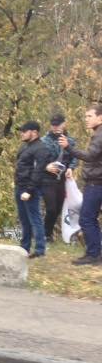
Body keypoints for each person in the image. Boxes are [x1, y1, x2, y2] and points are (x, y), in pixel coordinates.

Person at [59, 104, 102, 265]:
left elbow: (90, 156)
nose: (86, 119)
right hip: (97, 182)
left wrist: (68, 147)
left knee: (86, 219)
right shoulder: (98, 134)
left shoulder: (99, 135)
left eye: (89, 116)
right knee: (91, 218)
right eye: (85, 116)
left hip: (95, 184)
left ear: (100, 117)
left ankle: (93, 255)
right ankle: (97, 253)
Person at [14, 121, 53, 259]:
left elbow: (38, 172)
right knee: (24, 219)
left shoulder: (40, 148)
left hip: (30, 189)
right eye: (21, 131)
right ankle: (24, 247)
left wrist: (29, 190)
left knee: (35, 219)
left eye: (24, 131)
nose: (22, 133)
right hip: (20, 186)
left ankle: (40, 249)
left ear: (34, 132)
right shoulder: (25, 146)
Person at [40, 114, 77, 242]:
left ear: (64, 124)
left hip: (62, 180)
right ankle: (45, 235)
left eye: (58, 125)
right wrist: (46, 167)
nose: (55, 127)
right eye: (53, 125)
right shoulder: (43, 141)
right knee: (51, 208)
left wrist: (71, 168)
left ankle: (47, 234)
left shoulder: (70, 141)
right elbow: (36, 160)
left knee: (58, 208)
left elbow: (74, 157)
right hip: (47, 179)